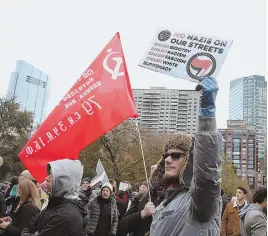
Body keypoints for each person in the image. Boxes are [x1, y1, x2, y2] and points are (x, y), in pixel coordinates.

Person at [148, 77, 222, 235]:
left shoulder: (200, 201)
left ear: (189, 160)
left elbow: (207, 172)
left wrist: (207, 116)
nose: (168, 160)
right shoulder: (165, 202)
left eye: (176, 155)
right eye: (166, 155)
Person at [21, 159, 87, 236]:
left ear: (65, 182)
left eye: (52, 176)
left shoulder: (66, 215)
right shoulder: (54, 205)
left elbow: (27, 229)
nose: (46, 178)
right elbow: (28, 226)